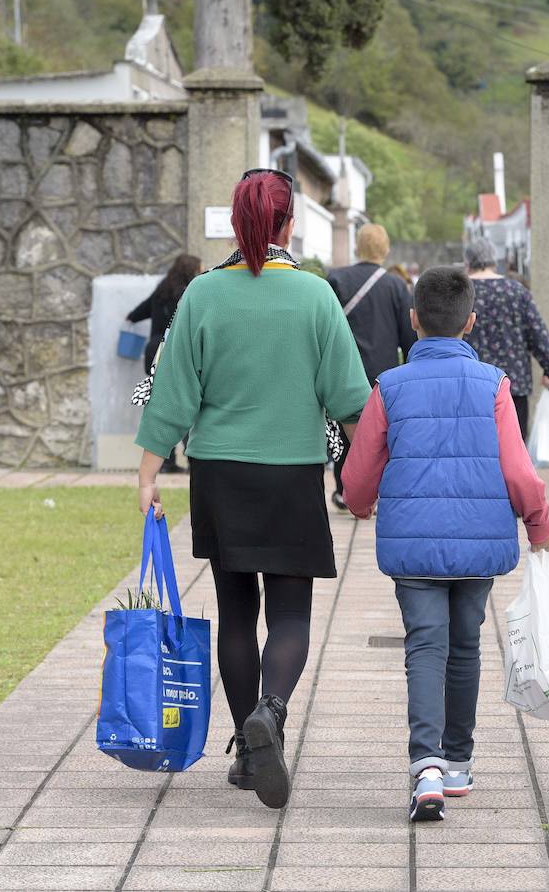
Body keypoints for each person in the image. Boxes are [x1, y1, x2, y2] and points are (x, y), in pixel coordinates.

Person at [134, 167, 370, 810]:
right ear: (289, 223)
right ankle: (272, 710)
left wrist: (149, 470)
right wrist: (375, 469)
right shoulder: (317, 297)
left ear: (236, 224)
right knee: (289, 614)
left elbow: (172, 392)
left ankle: (245, 744)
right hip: (292, 471)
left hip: (218, 472)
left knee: (235, 614)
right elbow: (351, 401)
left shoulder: (203, 296)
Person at [341, 265, 549, 823]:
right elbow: (518, 468)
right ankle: (458, 760)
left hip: (412, 543)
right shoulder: (495, 384)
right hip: (479, 541)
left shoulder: (389, 386)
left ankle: (426, 765)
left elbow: (360, 468)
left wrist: (360, 502)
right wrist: (538, 523)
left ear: (413, 321)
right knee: (466, 644)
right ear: (472, 322)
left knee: (424, 645)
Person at [325, 224, 416, 511]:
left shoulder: (336, 279)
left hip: (342, 369)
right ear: (386, 249)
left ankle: (344, 488)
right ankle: (375, 490)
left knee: (342, 432)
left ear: (357, 247)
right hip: (382, 373)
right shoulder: (395, 286)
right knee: (379, 435)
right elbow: (407, 334)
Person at [461, 238, 549, 437]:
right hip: (513, 383)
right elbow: (536, 331)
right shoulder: (516, 291)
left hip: (469, 382)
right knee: (512, 444)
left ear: (468, 262)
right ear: (493, 260)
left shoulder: (462, 292)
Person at [127, 253, 201, 473]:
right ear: (190, 270)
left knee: (160, 404)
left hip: (153, 350)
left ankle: (166, 462)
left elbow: (138, 312)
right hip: (172, 350)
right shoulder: (188, 293)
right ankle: (191, 459)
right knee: (184, 402)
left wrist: (129, 318)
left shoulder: (162, 289)